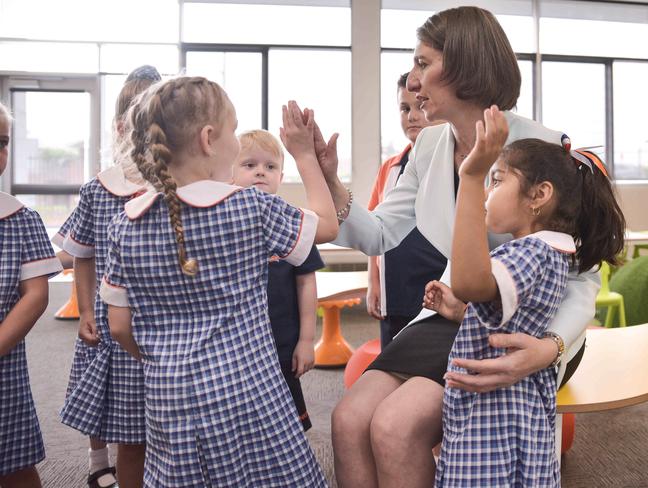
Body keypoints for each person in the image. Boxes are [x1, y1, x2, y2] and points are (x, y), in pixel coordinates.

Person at [318, 7, 601, 487]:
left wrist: (549, 348)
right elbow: (380, 232)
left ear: (466, 65)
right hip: (454, 316)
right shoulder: (429, 146)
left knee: (394, 426)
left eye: (424, 63)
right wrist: (327, 179)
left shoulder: (544, 149)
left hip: (528, 330)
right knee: (348, 420)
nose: (412, 80)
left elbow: (582, 276)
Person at [100, 78, 335, 486]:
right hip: (249, 392)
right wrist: (304, 155)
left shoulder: (124, 224)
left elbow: (119, 326)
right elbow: (327, 224)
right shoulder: (250, 208)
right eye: (234, 129)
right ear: (210, 139)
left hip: (168, 396)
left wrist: (164, 358)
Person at [424, 107, 625, 486]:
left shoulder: (528, 252)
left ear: (539, 196)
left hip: (495, 416)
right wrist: (462, 312)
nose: (487, 191)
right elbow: (515, 316)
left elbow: (470, 280)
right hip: (513, 408)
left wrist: (469, 177)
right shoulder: (553, 251)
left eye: (496, 181)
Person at [59, 65, 161, 488]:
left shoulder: (168, 187)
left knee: (143, 416)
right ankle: (98, 458)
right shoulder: (98, 190)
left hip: (153, 321)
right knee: (104, 400)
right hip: (106, 318)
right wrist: (85, 309)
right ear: (121, 126)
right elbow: (80, 256)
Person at [232, 129, 323, 431]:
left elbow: (306, 283)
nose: (261, 171)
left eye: (270, 167)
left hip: (282, 343)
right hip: (237, 346)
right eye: (249, 165)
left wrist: (307, 340)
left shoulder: (293, 223)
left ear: (281, 176)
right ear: (231, 172)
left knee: (287, 424)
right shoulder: (222, 223)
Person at [0, 101, 63, 487]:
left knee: (13, 462)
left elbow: (36, 295)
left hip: (3, 363)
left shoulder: (21, 219)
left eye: (2, 141)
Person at [366, 72, 441, 348]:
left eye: (420, 107)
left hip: (434, 292)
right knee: (392, 360)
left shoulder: (454, 163)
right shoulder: (391, 168)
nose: (412, 116)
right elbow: (374, 226)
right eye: (404, 108)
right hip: (394, 291)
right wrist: (374, 283)